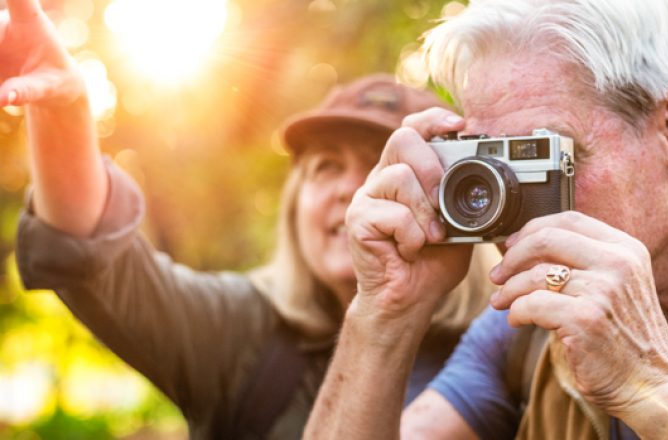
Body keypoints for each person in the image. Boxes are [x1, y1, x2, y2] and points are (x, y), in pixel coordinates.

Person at [304, 0, 668, 439]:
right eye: (489, 160)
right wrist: (384, 313)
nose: (511, 211)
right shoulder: (520, 331)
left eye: (547, 158)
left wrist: (659, 388)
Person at [2, 0, 498, 438]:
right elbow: (93, 257)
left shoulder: (505, 344)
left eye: (380, 165)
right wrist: (65, 113)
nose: (352, 188)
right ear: (295, 201)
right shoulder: (237, 332)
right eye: (326, 167)